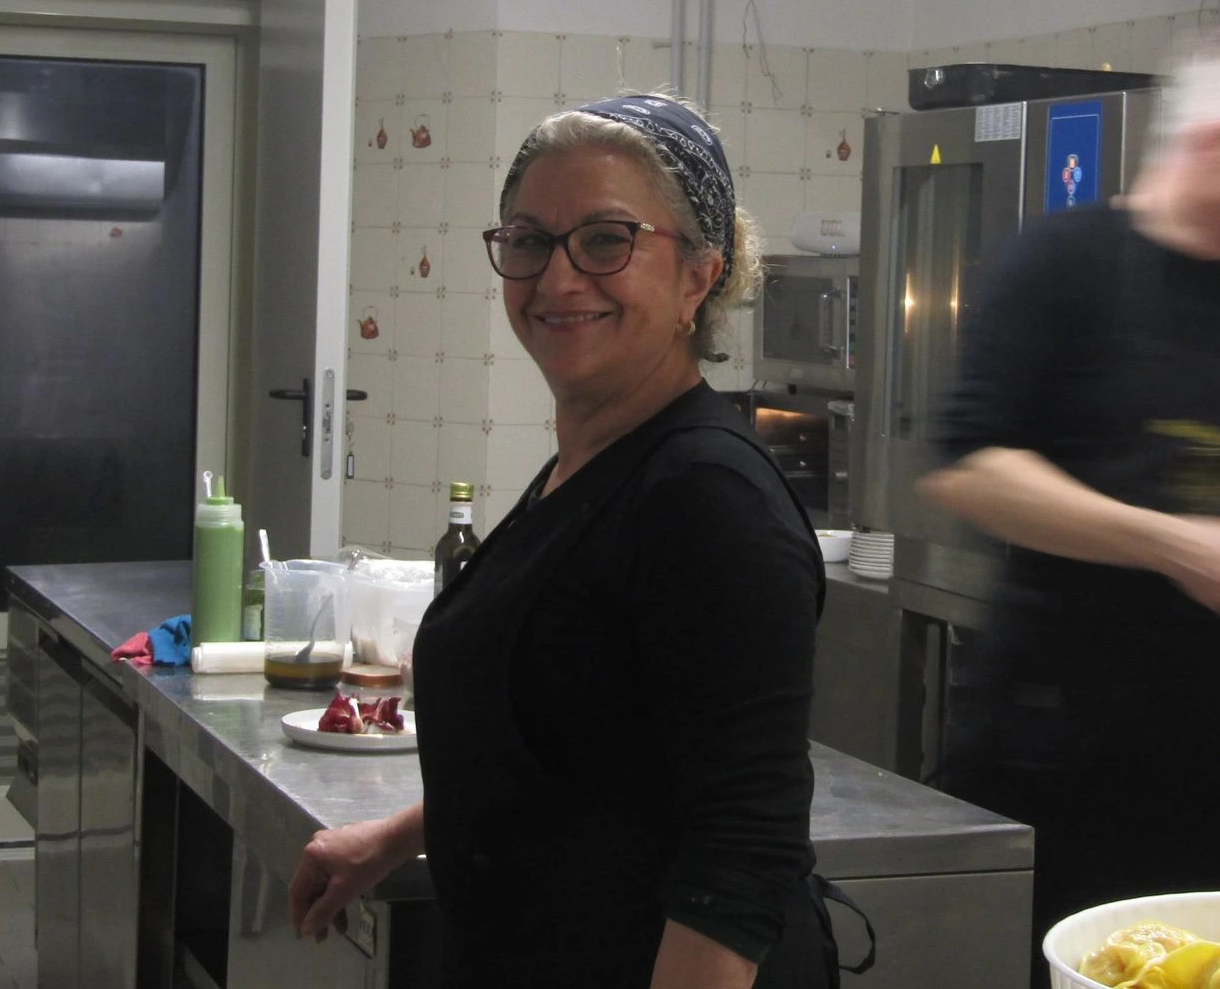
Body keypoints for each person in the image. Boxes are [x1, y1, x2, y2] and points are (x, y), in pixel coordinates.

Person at [289, 93, 835, 988]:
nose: (558, 278)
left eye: (607, 240)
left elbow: (742, 846)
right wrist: (395, 836)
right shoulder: (592, 467)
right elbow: (573, 747)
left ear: (699, 277)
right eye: (529, 241)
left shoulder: (707, 497)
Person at [919, 26, 1220, 988]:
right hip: (1064, 745)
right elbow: (969, 467)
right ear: (1213, 141)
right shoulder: (1061, 263)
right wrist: (1173, 545)